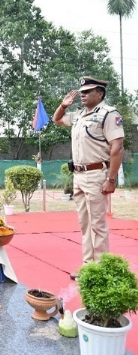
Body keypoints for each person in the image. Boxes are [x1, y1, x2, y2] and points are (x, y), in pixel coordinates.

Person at [53, 76, 124, 280]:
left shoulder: (108, 114)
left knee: (97, 224)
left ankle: (100, 269)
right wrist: (63, 105)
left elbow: (117, 148)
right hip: (79, 175)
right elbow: (57, 120)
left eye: (88, 91)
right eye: (81, 92)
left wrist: (110, 179)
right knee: (85, 224)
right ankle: (88, 266)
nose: (82, 95)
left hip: (97, 174)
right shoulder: (79, 115)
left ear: (99, 93)